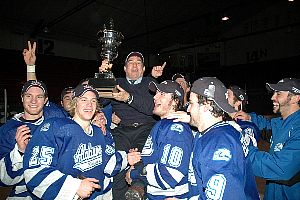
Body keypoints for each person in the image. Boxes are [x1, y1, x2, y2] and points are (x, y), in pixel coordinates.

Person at [23, 84, 141, 199]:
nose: (89, 105)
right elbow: (34, 173)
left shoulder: (98, 132)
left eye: (93, 101)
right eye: (84, 99)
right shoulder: (55, 127)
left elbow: (107, 163)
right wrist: (74, 186)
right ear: (75, 103)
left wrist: (127, 158)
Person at [168, 77, 260, 199]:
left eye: (191, 103)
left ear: (206, 105)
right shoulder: (214, 132)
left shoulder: (219, 143)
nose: (188, 109)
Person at [99, 52, 165, 199]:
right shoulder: (116, 83)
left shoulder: (151, 83)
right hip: (122, 130)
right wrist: (103, 76)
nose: (134, 65)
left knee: (142, 162)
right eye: (130, 62)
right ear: (124, 68)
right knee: (118, 165)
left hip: (147, 128)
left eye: (138, 62)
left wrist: (128, 98)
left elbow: (150, 107)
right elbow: (100, 101)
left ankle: (140, 192)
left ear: (143, 69)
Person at [125, 80, 193, 199]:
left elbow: (169, 175)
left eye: (162, 94)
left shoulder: (176, 129)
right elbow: (154, 159)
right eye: (156, 93)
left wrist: (135, 173)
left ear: (175, 101)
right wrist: (137, 161)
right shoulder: (161, 125)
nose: (155, 97)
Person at [235, 78, 300, 200]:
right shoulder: (280, 124)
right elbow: (266, 126)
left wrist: (245, 149)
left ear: (295, 98)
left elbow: (279, 167)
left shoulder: (297, 129)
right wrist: (250, 118)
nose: (272, 97)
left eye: (278, 94)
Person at [0, 80, 50, 197]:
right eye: (29, 96)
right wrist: (19, 152)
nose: (33, 101)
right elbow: (3, 179)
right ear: (22, 98)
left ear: (45, 100)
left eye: (39, 96)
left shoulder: (55, 121)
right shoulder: (7, 130)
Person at [23, 40, 69, 118]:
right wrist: (30, 67)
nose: (71, 101)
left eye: (74, 98)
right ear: (61, 103)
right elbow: (34, 90)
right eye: (67, 98)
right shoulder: (55, 113)